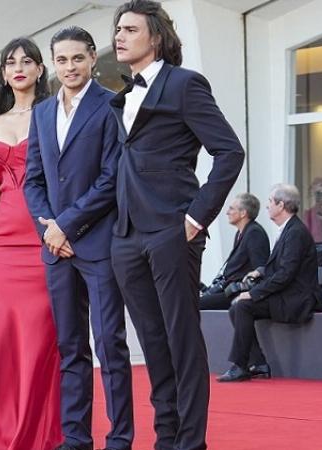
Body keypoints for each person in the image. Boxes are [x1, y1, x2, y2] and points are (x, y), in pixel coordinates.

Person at [109, 2, 245, 449]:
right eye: (118, 29)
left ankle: (190, 443)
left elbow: (229, 151)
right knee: (152, 343)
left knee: (182, 342)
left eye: (130, 28)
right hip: (127, 236)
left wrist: (195, 218)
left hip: (172, 230)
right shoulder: (121, 96)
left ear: (157, 37)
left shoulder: (185, 84)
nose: (120, 35)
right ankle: (165, 437)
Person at [24, 27, 133, 450]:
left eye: (77, 58)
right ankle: (75, 437)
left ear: (92, 59)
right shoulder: (42, 111)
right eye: (62, 60)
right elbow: (33, 180)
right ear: (53, 63)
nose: (69, 67)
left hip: (97, 244)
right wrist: (49, 229)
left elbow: (111, 178)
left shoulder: (111, 106)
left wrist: (65, 225)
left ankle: (120, 437)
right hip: (56, 247)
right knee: (70, 348)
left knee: (110, 345)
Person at [0, 36, 62, 450]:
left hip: (43, 237)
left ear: (40, 70)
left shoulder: (55, 114)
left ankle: (40, 433)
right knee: (1, 342)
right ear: (3, 72)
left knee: (41, 341)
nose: (19, 67)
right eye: (11, 62)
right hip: (3, 242)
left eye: (28, 61)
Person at [218, 184, 322, 382]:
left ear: (281, 205)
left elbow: (286, 274)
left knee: (242, 306)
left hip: (297, 299)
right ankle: (257, 362)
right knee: (237, 307)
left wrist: (254, 292)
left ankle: (241, 365)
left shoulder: (295, 232)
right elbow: (281, 269)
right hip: (287, 294)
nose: (266, 206)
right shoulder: (288, 229)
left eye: (270, 202)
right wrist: (259, 273)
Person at [200, 193, 270, 310]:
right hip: (229, 289)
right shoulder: (241, 233)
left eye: (231, 208)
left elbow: (260, 267)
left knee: (196, 304)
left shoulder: (254, 233)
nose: (227, 212)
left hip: (239, 292)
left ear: (243, 213)